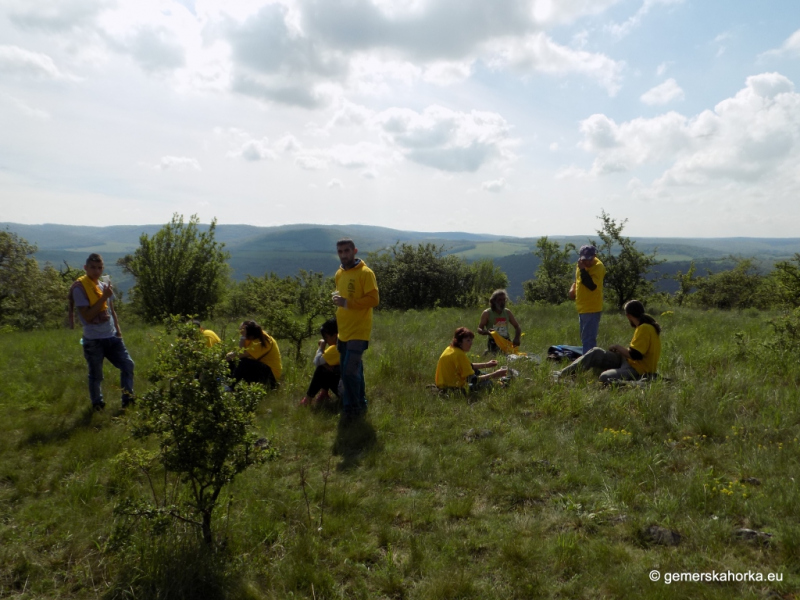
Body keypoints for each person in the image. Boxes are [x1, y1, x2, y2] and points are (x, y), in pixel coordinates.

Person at [68, 253, 134, 411]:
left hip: (112, 336)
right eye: (92, 268)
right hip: (93, 340)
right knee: (96, 375)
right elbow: (88, 316)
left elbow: (112, 311)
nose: (96, 271)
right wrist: (104, 297)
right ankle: (97, 404)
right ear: (85, 268)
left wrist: (118, 332)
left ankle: (128, 400)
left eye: (99, 268)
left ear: (102, 268)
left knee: (128, 365)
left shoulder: (104, 286)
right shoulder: (80, 288)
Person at [553, 300, 661, 384]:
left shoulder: (645, 328)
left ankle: (638, 382)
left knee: (605, 377)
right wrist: (619, 351)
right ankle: (562, 374)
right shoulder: (645, 327)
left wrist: (618, 347)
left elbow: (635, 355)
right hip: (628, 362)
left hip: (638, 370)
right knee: (596, 352)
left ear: (628, 316)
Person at [332, 238, 379, 419]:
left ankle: (352, 408)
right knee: (349, 370)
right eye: (340, 252)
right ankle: (360, 402)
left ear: (355, 251)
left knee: (350, 371)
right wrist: (341, 303)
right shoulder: (339, 274)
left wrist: (347, 303)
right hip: (343, 330)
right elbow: (343, 300)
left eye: (347, 251)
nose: (344, 255)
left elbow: (374, 300)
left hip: (359, 331)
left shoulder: (366, 273)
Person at [436, 327, 509, 393]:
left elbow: (468, 366)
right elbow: (473, 380)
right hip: (453, 389)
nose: (471, 343)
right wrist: (495, 374)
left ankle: (499, 381)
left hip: (443, 385)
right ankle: (500, 384)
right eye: (468, 340)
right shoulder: (459, 355)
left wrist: (487, 364)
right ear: (459, 342)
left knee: (477, 371)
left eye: (471, 340)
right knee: (488, 383)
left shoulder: (451, 349)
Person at [569, 245, 606, 356]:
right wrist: (573, 288)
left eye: (589, 259)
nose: (587, 262)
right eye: (584, 259)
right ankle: (588, 361)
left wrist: (582, 269)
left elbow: (591, 285)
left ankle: (587, 366)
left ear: (594, 256)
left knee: (588, 340)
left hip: (592, 308)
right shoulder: (581, 264)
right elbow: (578, 279)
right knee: (584, 338)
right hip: (582, 308)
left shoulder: (598, 267)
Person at [226, 320, 281, 388]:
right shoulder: (252, 337)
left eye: (242, 332)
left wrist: (243, 337)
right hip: (260, 369)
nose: (240, 333)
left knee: (242, 362)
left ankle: (230, 387)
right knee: (232, 361)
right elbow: (238, 353)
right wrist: (226, 356)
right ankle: (225, 383)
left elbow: (240, 354)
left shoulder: (262, 341)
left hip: (271, 376)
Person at [300, 318, 340, 407]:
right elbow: (324, 360)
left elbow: (317, 362)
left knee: (321, 369)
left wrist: (321, 347)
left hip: (344, 391)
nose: (325, 340)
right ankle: (324, 393)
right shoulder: (343, 344)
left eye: (326, 337)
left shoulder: (336, 348)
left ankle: (308, 399)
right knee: (326, 366)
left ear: (334, 336)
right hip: (350, 389)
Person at [477, 289, 521, 354]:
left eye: (504, 300)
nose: (502, 302)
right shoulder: (487, 313)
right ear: (493, 301)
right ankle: (488, 352)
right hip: (493, 341)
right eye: (499, 300)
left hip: (506, 340)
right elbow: (479, 329)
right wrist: (487, 332)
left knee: (512, 358)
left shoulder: (507, 312)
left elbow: (517, 327)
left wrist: (517, 338)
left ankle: (487, 353)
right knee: (499, 358)